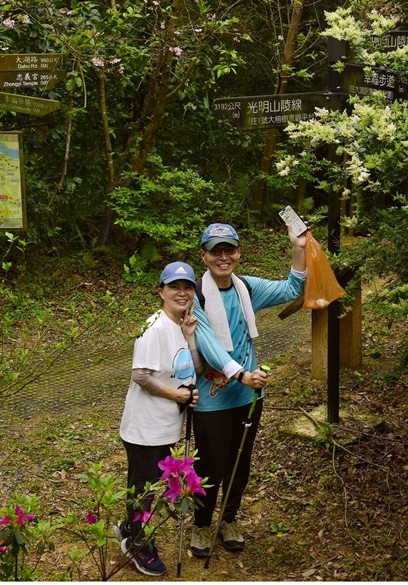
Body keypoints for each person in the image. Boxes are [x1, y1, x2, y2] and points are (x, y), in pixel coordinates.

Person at [188, 222, 307, 558]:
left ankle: (228, 520)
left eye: (229, 250)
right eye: (216, 251)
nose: (223, 257)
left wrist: (298, 248)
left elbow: (291, 290)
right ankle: (201, 524)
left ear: (238, 253)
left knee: (240, 463)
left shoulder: (247, 289)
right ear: (204, 256)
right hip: (213, 398)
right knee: (210, 464)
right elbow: (209, 346)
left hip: (248, 396)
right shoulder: (196, 295)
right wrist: (241, 375)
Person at [116, 262, 201, 577]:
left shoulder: (181, 324)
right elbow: (141, 376)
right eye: (174, 287)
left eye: (187, 287)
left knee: (148, 486)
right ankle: (136, 543)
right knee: (144, 490)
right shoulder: (154, 327)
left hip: (165, 427)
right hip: (144, 429)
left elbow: (191, 370)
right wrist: (176, 396)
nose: (182, 292)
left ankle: (129, 528)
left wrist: (190, 337)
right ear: (161, 291)